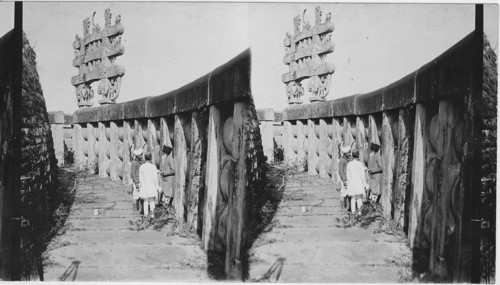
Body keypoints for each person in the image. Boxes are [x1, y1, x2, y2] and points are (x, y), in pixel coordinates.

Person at [346, 150, 368, 216]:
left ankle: (353, 212)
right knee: (359, 198)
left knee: (352, 198)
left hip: (352, 183)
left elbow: (348, 175)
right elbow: (362, 176)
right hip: (358, 183)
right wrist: (365, 184)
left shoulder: (349, 164)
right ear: (358, 156)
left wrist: (349, 183)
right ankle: (359, 212)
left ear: (352, 156)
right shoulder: (360, 164)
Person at [139, 152, 161, 217]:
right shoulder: (153, 167)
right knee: (152, 202)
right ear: (151, 158)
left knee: (145, 202)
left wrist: (142, 186)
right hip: (151, 186)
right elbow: (155, 179)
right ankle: (152, 216)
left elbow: (141, 178)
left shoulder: (142, 167)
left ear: (145, 158)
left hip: (144, 186)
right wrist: (157, 187)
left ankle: (145, 215)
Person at [338, 145, 351, 211]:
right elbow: (340, 171)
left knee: (348, 193)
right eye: (348, 152)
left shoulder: (347, 159)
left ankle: (348, 207)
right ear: (345, 153)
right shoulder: (342, 161)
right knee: (343, 193)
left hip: (348, 179)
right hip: (345, 179)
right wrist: (344, 180)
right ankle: (343, 207)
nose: (349, 153)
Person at [131, 148, 144, 214]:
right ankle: (135, 210)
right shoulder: (134, 163)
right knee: (135, 196)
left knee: (141, 196)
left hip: (141, 181)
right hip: (137, 181)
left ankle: (141, 210)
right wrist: (136, 182)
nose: (142, 156)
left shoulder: (140, 162)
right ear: (137, 156)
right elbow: (133, 173)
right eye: (140, 155)